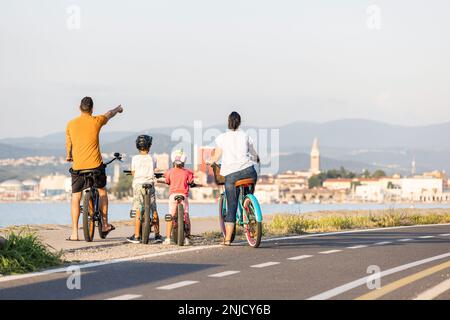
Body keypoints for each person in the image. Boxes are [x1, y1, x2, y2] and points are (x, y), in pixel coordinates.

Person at [66, 97, 123, 241]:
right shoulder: (96, 121)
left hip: (78, 167)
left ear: (80, 108)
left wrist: (69, 156)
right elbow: (109, 113)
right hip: (96, 166)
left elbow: (69, 145)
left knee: (75, 197)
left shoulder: (71, 124)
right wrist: (118, 109)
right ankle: (104, 224)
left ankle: (74, 233)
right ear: (92, 109)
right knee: (102, 190)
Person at [207, 111, 260, 246]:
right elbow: (254, 154)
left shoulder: (222, 138)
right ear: (240, 122)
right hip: (249, 171)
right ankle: (249, 207)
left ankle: (228, 239)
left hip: (232, 174)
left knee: (232, 205)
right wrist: (257, 158)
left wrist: (210, 161)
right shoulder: (246, 136)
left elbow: (217, 155)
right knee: (248, 191)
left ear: (228, 122)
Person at [127, 135, 163, 244]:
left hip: (138, 185)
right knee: (153, 208)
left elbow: (133, 172)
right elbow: (153, 169)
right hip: (150, 184)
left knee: (138, 208)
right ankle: (157, 235)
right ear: (149, 146)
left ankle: (137, 236)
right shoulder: (153, 158)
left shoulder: (135, 158)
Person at [163, 150, 194, 245]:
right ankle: (187, 238)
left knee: (171, 216)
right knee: (186, 214)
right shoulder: (188, 172)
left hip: (173, 196)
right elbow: (191, 181)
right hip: (183, 195)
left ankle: (168, 238)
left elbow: (167, 181)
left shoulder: (169, 172)